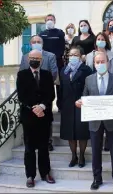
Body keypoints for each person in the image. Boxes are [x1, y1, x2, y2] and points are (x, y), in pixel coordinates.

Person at [75, 51, 113, 191]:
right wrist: (79, 102)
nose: (100, 64)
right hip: (95, 121)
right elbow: (85, 96)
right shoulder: (89, 79)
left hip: (112, 121)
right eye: (97, 62)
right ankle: (97, 178)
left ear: (108, 63)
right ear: (94, 64)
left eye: (102, 61)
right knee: (96, 151)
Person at [16, 49, 56, 188]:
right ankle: (30, 176)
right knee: (29, 148)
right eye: (32, 58)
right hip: (28, 116)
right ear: (28, 59)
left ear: (41, 60)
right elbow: (22, 96)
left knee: (44, 147)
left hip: (44, 116)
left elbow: (51, 94)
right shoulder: (22, 75)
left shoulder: (47, 74)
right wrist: (35, 108)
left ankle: (45, 173)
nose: (35, 60)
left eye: (37, 58)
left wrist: (42, 107)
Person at [60, 46, 92, 168]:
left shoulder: (86, 70)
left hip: (82, 104)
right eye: (71, 55)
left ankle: (82, 155)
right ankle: (74, 155)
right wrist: (60, 104)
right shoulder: (64, 70)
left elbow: (89, 87)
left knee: (81, 132)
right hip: (67, 105)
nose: (73, 57)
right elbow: (61, 88)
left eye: (76, 55)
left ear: (80, 57)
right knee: (70, 133)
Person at [39, 14, 65, 112]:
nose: (50, 21)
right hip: (45, 63)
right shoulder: (42, 34)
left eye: (51, 19)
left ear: (54, 21)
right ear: (45, 21)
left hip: (58, 62)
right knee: (46, 85)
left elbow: (62, 47)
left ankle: (60, 106)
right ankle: (46, 105)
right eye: (48, 19)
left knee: (59, 86)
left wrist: (55, 57)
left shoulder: (60, 33)